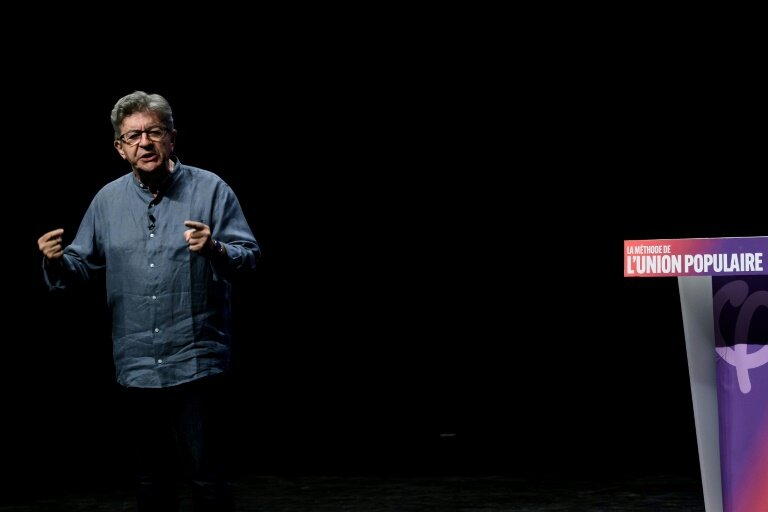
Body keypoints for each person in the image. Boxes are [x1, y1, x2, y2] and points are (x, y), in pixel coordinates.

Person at [37, 90, 260, 512]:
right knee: (150, 483)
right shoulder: (106, 201)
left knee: (206, 479)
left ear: (172, 138)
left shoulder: (211, 189)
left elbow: (250, 259)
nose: (145, 142)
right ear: (120, 148)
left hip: (197, 360)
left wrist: (215, 249)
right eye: (133, 136)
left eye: (154, 132)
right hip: (137, 364)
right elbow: (81, 269)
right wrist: (58, 263)